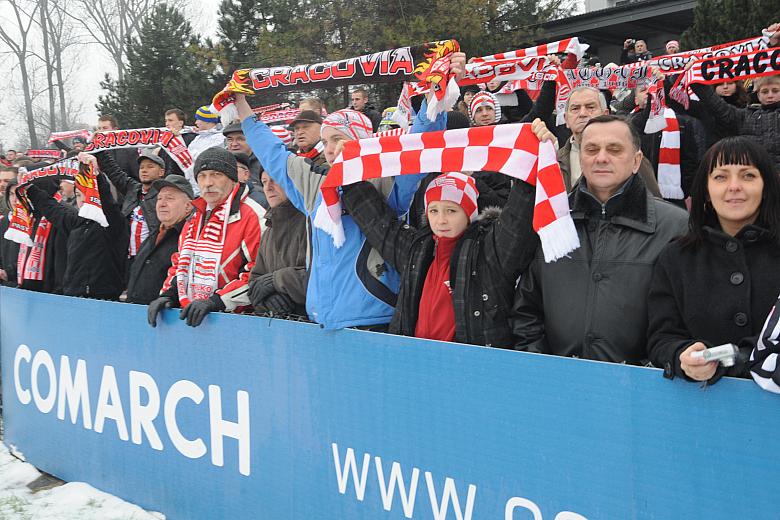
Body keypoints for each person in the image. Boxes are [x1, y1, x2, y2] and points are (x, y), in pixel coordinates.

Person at [234, 51, 466, 330]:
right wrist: (241, 105)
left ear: (361, 142)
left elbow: (420, 145)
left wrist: (437, 89)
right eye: (325, 141)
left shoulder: (385, 180)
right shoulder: (315, 184)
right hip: (321, 321)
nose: (330, 149)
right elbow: (272, 154)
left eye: (338, 139)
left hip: (374, 320)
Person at [510, 115, 688, 363]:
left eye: (614, 149)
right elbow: (527, 307)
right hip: (558, 382)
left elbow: (683, 319)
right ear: (580, 157)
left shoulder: (676, 226)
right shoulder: (552, 219)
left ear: (636, 161)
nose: (601, 158)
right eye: (591, 149)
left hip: (641, 388)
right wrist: (538, 363)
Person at [342, 166, 538, 346]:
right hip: (418, 361)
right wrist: (348, 175)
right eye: (434, 211)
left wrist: (532, 165)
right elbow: (378, 223)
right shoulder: (417, 248)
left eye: (451, 211)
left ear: (469, 212)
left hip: (470, 367)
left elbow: (518, 221)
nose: (441, 220)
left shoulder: (490, 250)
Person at [647, 137, 780, 383]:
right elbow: (661, 338)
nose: (734, 186)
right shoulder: (676, 258)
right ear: (705, 191)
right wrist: (682, 356)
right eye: (720, 177)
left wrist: (744, 358)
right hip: (703, 409)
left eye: (748, 176)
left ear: (766, 187)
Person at [148, 147, 266, 327]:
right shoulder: (196, 216)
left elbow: (257, 274)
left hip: (237, 323)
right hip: (194, 317)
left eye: (216, 174)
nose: (208, 183)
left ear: (232, 178)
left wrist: (217, 301)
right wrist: (169, 294)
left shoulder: (252, 215)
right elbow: (181, 263)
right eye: (202, 176)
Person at [24, 153, 129, 299]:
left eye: (86, 194)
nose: (82, 200)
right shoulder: (76, 222)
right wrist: (29, 189)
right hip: (73, 295)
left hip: (104, 298)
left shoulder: (111, 222)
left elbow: (106, 200)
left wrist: (95, 175)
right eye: (79, 195)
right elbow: (52, 208)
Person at [557, 86, 660, 195]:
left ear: (605, 114)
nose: (582, 114)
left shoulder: (629, 156)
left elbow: (653, 204)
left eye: (590, 107)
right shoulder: (555, 159)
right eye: (575, 108)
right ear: (566, 119)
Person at [247, 170, 309, 317]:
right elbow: (256, 282)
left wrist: (277, 280)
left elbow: (322, 279)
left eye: (275, 180)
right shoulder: (269, 229)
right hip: (278, 326)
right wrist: (268, 299)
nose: (268, 188)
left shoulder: (312, 223)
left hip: (314, 326)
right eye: (264, 182)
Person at [126, 175, 194, 304]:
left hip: (167, 318)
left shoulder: (190, 240)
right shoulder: (153, 235)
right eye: (159, 198)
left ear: (188, 206)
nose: (162, 204)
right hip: (134, 314)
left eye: (170, 198)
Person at [689, 74, 780, 167]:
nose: (770, 95)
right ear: (758, 94)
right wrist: (695, 79)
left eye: (775, 91)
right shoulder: (745, 115)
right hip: (753, 174)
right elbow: (716, 104)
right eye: (765, 92)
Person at [96, 149, 165, 270]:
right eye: (141, 167)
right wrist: (99, 149)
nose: (144, 170)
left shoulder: (165, 195)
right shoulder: (133, 189)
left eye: (150, 167)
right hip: (127, 259)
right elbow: (114, 171)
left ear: (161, 172)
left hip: (150, 261)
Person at [14, 178, 69, 294]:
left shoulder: (64, 214)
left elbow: (62, 260)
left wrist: (58, 293)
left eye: (27, 192)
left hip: (52, 293)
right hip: (27, 290)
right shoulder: (30, 214)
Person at [186, 106, 226, 195]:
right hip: (193, 188)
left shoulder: (221, 138)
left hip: (210, 187)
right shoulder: (197, 138)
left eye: (198, 119)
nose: (196, 122)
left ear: (207, 120)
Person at [223, 122, 263, 195]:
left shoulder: (264, 164)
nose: (234, 144)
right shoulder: (221, 164)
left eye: (240, 139)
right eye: (230, 140)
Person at [97, 115, 140, 180]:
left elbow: (136, 175)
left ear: (115, 129)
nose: (101, 132)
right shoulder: (96, 151)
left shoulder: (128, 150)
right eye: (99, 128)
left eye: (105, 128)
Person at [162, 108, 196, 177]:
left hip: (184, 178)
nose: (167, 124)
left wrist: (177, 139)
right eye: (166, 121)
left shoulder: (191, 138)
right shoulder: (164, 139)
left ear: (181, 123)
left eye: (170, 120)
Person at [0, 179, 20, 286]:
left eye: (18, 194)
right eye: (11, 194)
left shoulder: (35, 222)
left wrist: (8, 273)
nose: (15, 199)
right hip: (6, 286)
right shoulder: (4, 222)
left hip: (25, 286)